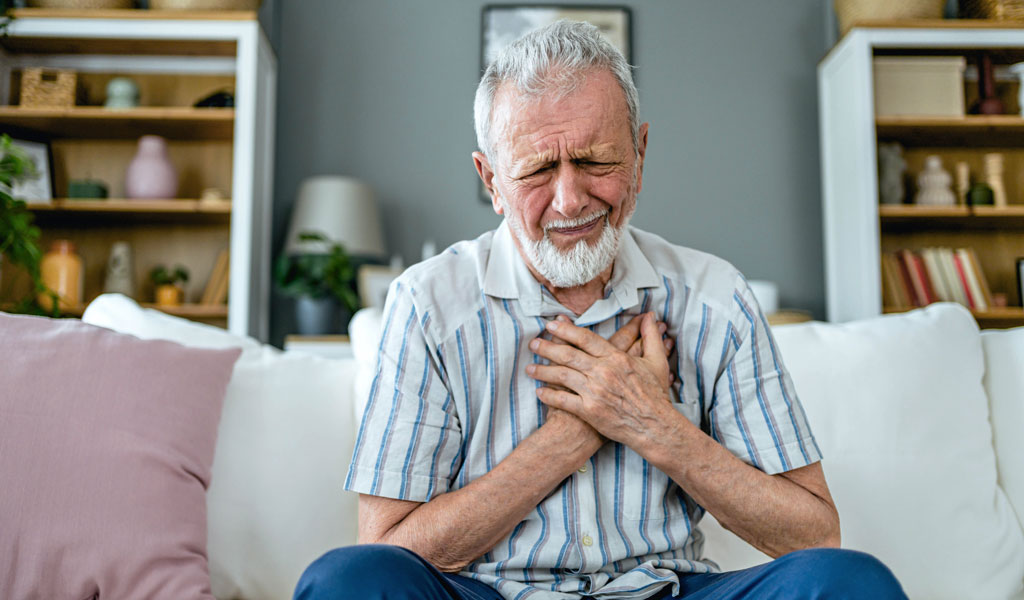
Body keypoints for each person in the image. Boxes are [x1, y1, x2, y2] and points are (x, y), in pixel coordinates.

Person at [295, 20, 906, 600]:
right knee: (347, 580)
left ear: (639, 155)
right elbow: (385, 549)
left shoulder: (716, 298)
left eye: (595, 161)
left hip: (666, 587)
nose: (569, 198)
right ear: (491, 182)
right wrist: (573, 435)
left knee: (848, 582)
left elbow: (815, 534)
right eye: (537, 169)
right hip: (490, 592)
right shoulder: (428, 305)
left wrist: (652, 424)